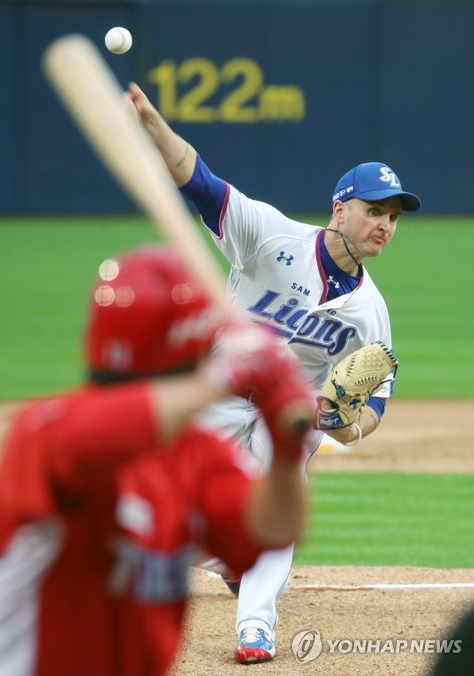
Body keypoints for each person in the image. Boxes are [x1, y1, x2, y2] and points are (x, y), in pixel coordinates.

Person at [126, 82, 422, 664]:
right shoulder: (269, 234)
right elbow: (200, 182)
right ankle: (227, 559)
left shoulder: (372, 315)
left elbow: (371, 413)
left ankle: (255, 627)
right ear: (341, 208)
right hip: (224, 386)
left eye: (392, 216)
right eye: (373, 211)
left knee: (281, 491)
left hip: (291, 408)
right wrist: (152, 122)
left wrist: (339, 421)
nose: (384, 224)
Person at [0, 245, 315, 676]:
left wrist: (287, 450)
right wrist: (227, 376)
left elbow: (272, 532)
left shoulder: (198, 452)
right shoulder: (46, 430)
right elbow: (100, 433)